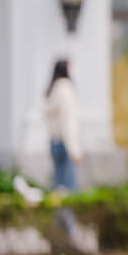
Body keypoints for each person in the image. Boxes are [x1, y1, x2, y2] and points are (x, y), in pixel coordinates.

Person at [44, 59, 83, 192]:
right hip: (65, 144)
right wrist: (74, 149)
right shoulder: (66, 90)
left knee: (58, 188)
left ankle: (59, 213)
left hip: (55, 142)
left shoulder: (54, 88)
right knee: (68, 190)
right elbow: (68, 122)